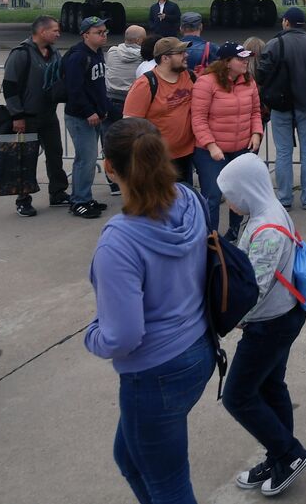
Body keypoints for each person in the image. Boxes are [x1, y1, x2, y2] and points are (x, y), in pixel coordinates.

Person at [85, 118, 215, 504]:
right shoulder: (189, 200)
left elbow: (122, 336)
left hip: (155, 372)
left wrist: (91, 336)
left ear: (109, 167)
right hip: (199, 351)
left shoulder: (120, 242)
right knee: (128, 456)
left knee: (169, 486)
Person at [219, 154, 306, 496]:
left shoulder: (267, 229)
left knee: (237, 396)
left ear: (246, 190)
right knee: (271, 386)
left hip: (270, 326)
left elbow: (253, 290)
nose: (228, 202)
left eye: (230, 194)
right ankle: (279, 455)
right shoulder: (266, 211)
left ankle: (289, 454)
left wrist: (228, 321)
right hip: (280, 318)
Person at [191, 42, 263, 237]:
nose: (245, 62)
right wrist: (211, 145)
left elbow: (256, 112)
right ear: (226, 62)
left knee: (239, 195)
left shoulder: (248, 81)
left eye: (246, 58)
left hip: (241, 147)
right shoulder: (206, 83)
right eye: (240, 59)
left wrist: (256, 133)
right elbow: (198, 118)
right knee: (213, 194)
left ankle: (234, 231)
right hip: (211, 151)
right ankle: (211, 237)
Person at [257, 7, 306, 210]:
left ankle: (285, 198)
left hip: (280, 105)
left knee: (283, 152)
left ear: (286, 22)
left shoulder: (274, 44)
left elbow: (262, 75)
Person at [2, 16, 69, 217]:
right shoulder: (21, 53)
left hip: (48, 114)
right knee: (26, 158)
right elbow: (10, 86)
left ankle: (58, 192)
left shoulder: (54, 52)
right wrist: (17, 115)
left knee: (55, 153)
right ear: (42, 32)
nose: (58, 34)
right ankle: (23, 199)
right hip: (26, 117)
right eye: (55, 31)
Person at [123, 37, 198, 183]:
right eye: (181, 53)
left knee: (183, 201)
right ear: (165, 58)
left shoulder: (189, 76)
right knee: (160, 203)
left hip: (186, 155)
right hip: (157, 158)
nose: (186, 55)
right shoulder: (145, 84)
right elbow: (130, 124)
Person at [63, 16, 112, 219]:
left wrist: (103, 108)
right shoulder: (77, 57)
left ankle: (85, 196)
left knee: (89, 159)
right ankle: (79, 201)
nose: (104, 36)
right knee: (86, 159)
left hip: (96, 115)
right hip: (80, 117)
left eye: (105, 32)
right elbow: (74, 90)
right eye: (99, 33)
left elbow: (98, 86)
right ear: (85, 35)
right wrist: (89, 111)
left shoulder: (97, 53)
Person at [105, 24, 149, 120]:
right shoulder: (143, 57)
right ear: (138, 40)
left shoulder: (112, 52)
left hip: (110, 99)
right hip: (132, 101)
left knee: (109, 133)